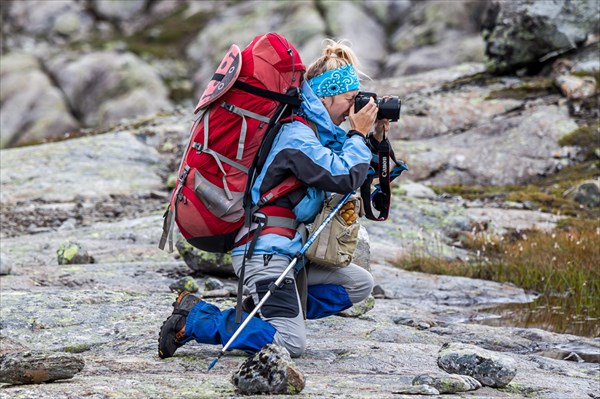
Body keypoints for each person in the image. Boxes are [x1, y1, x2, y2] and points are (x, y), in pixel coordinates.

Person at [158, 39, 391, 359]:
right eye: (350, 100)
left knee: (357, 285)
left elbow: (359, 174)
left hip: (289, 251)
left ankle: (258, 311)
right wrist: (358, 134)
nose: (352, 110)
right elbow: (342, 175)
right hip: (265, 253)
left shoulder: (315, 136)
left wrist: (375, 138)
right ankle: (195, 319)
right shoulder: (295, 136)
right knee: (292, 344)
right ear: (328, 95)